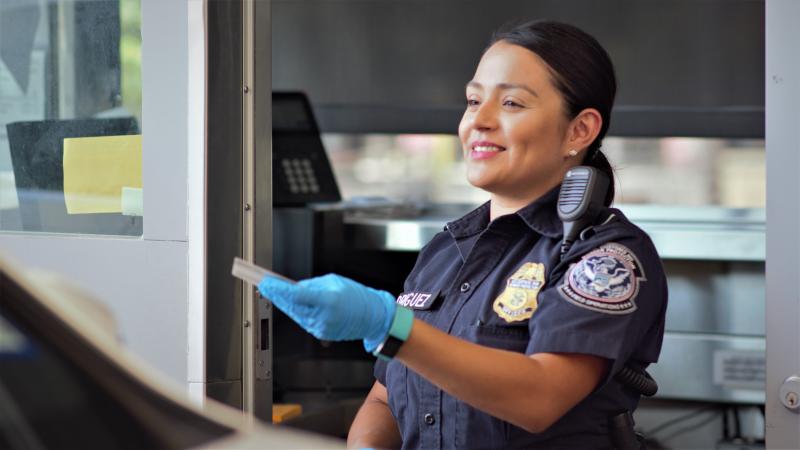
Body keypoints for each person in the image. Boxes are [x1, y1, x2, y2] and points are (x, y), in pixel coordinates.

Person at [258, 20, 667, 449]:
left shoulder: (606, 256)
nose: (480, 121)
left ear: (579, 130)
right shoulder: (446, 250)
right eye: (473, 101)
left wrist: (389, 326)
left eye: (511, 103)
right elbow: (384, 400)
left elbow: (540, 396)